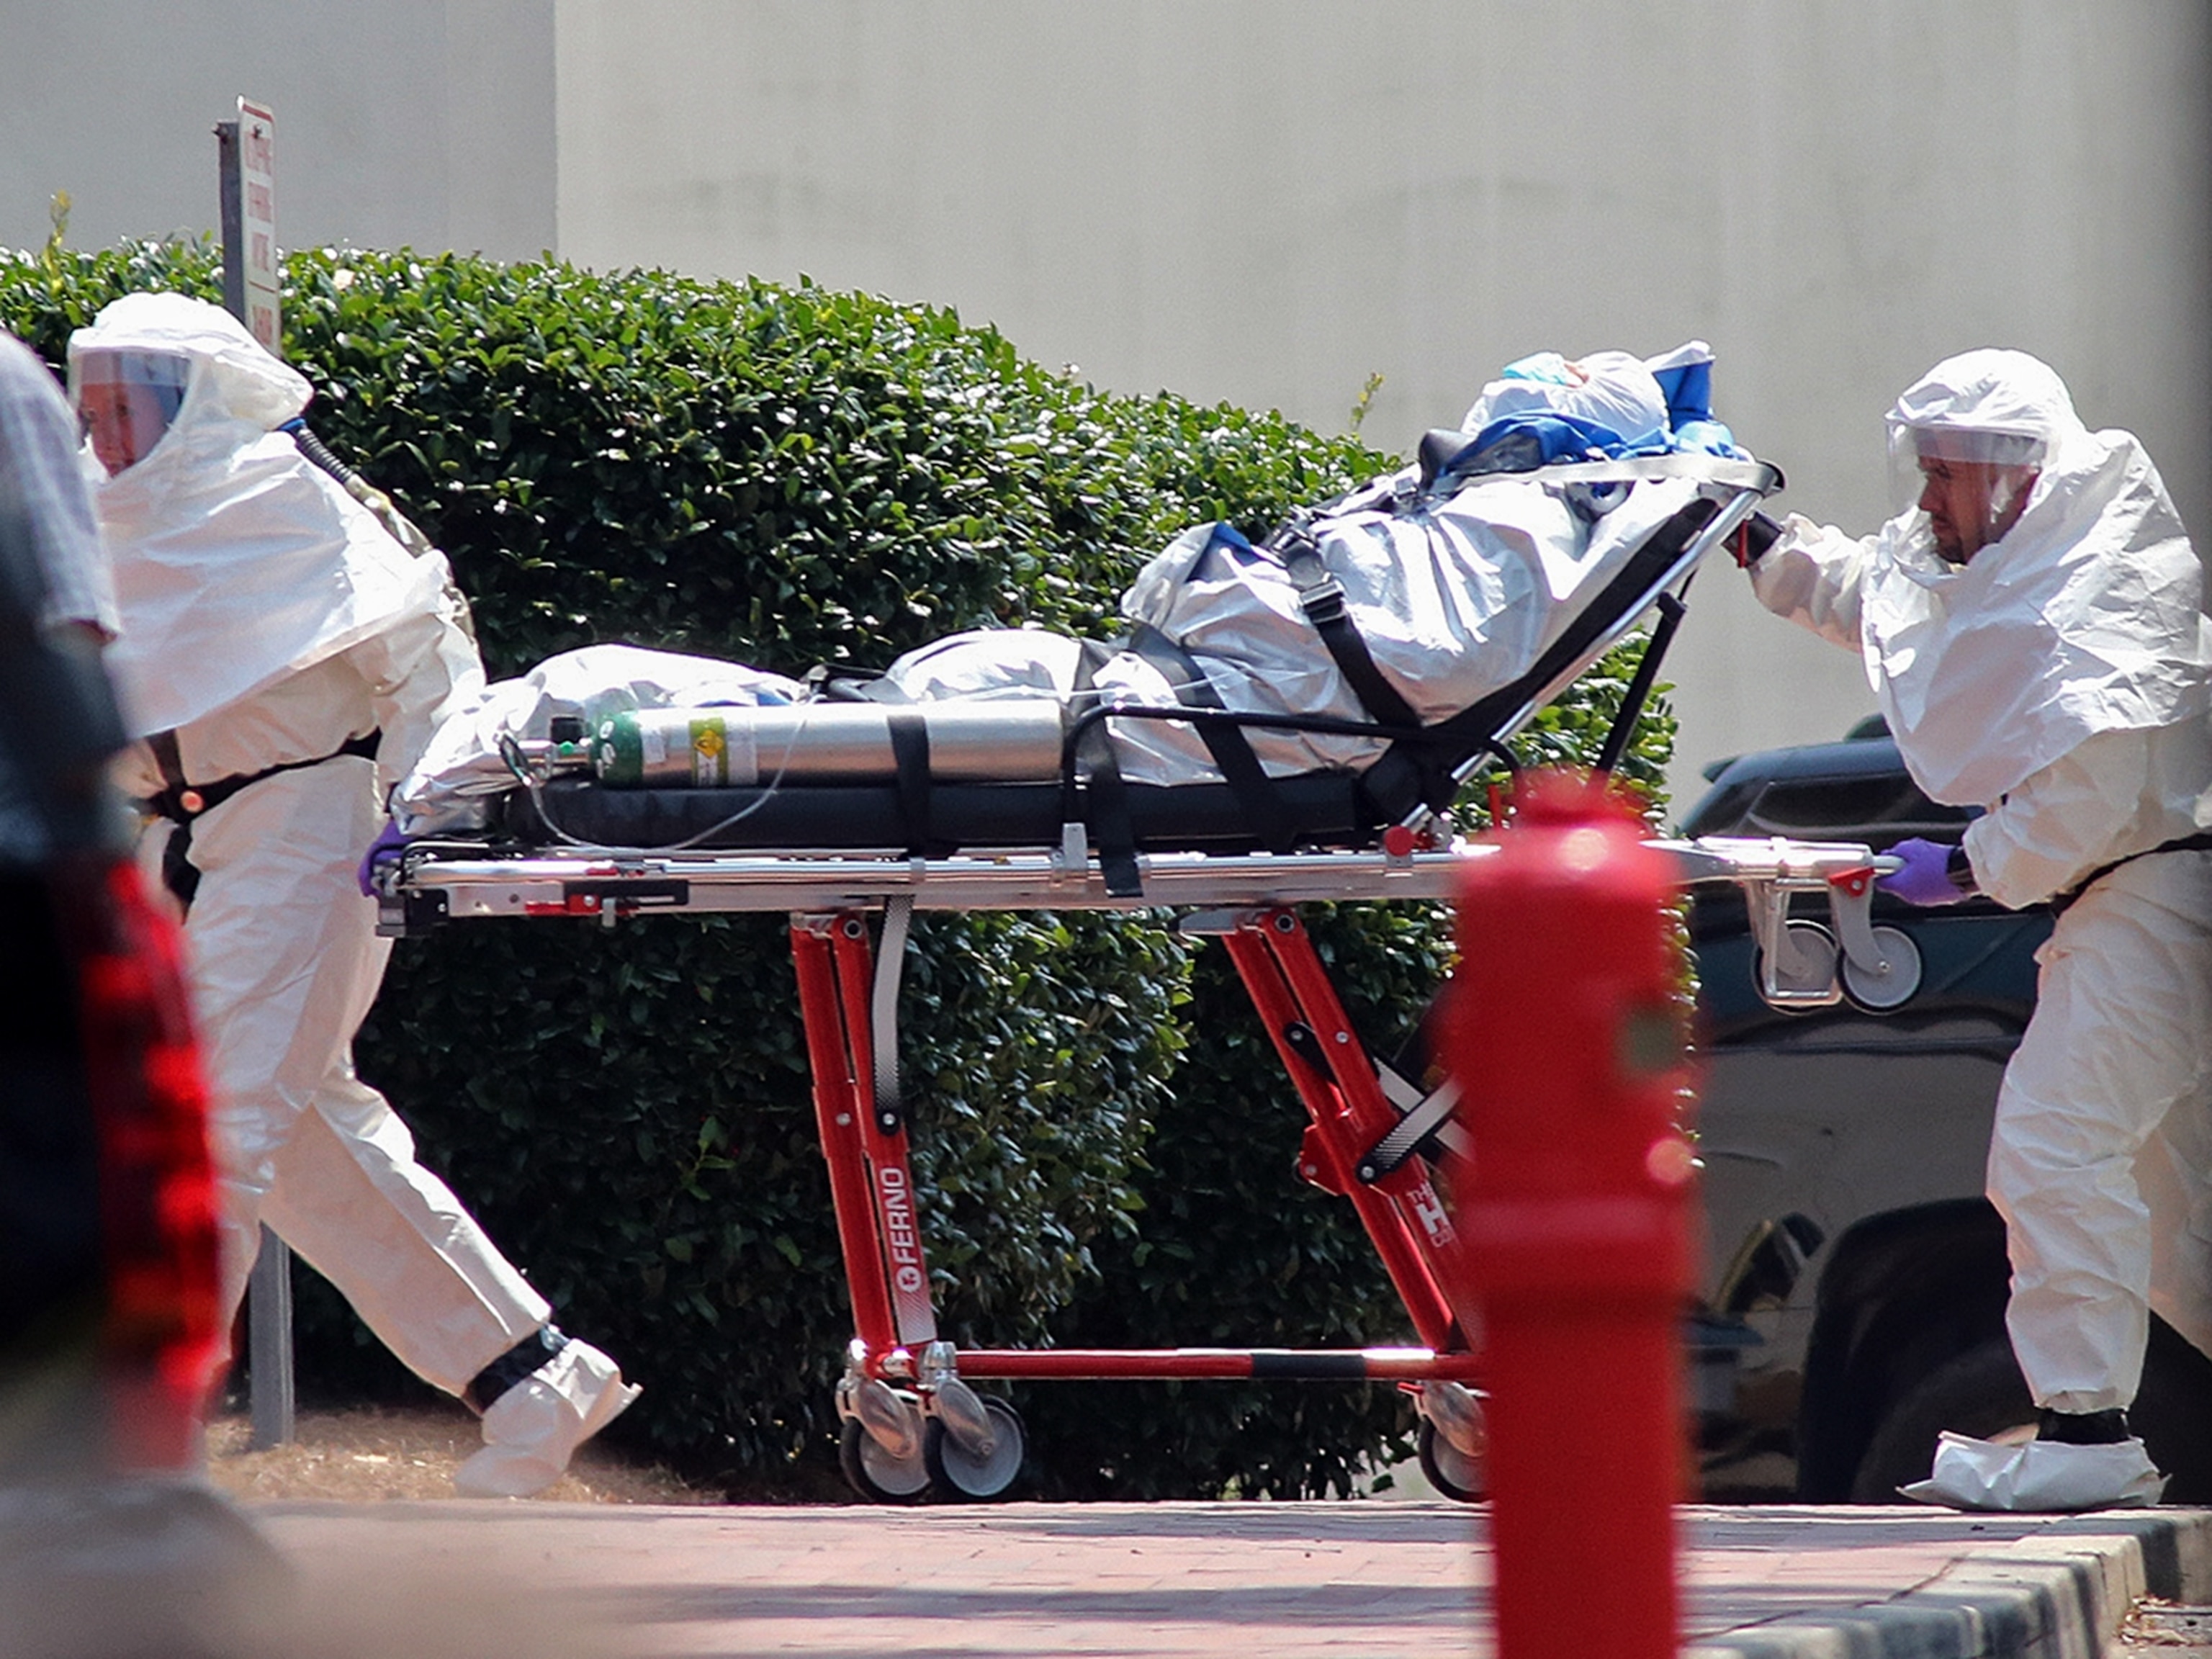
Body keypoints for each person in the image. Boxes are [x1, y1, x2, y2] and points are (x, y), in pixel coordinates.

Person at [68, 292, 637, 1498]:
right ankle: (533, 1375)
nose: (109, 427)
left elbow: (429, 656)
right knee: (305, 1136)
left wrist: (427, 818)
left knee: (209, 1127)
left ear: (203, 402)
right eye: (96, 397)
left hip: (305, 826)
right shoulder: (83, 506)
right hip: (149, 836)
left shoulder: (295, 506)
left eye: (135, 401)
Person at [1740, 349, 2212, 1511]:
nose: (1926, 501)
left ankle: (2088, 1434)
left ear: (2011, 477)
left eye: (1945, 476)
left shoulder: (2105, 588)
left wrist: (1963, 864)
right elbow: (1889, 612)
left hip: (2166, 894)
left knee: (2054, 1151)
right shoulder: (2022, 568)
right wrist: (1751, 541)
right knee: (2173, 1214)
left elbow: (2090, 803)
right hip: (2133, 901)